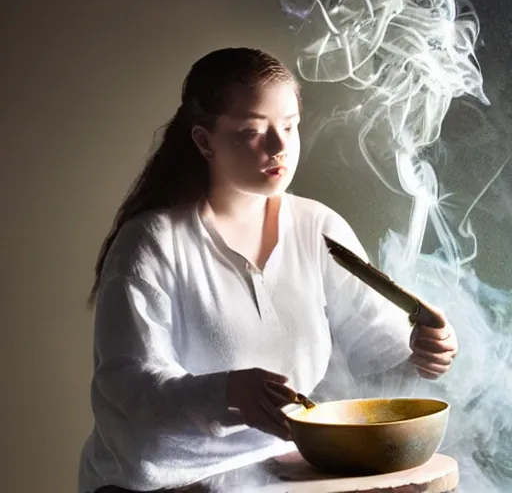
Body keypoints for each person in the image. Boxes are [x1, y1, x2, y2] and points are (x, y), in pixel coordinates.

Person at [78, 47, 458, 493]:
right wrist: (225, 393)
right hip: (163, 482)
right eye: (253, 131)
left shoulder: (318, 228)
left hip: (280, 469)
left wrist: (423, 349)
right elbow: (127, 385)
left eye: (290, 127)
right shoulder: (152, 242)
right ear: (204, 141)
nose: (279, 146)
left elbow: (379, 350)